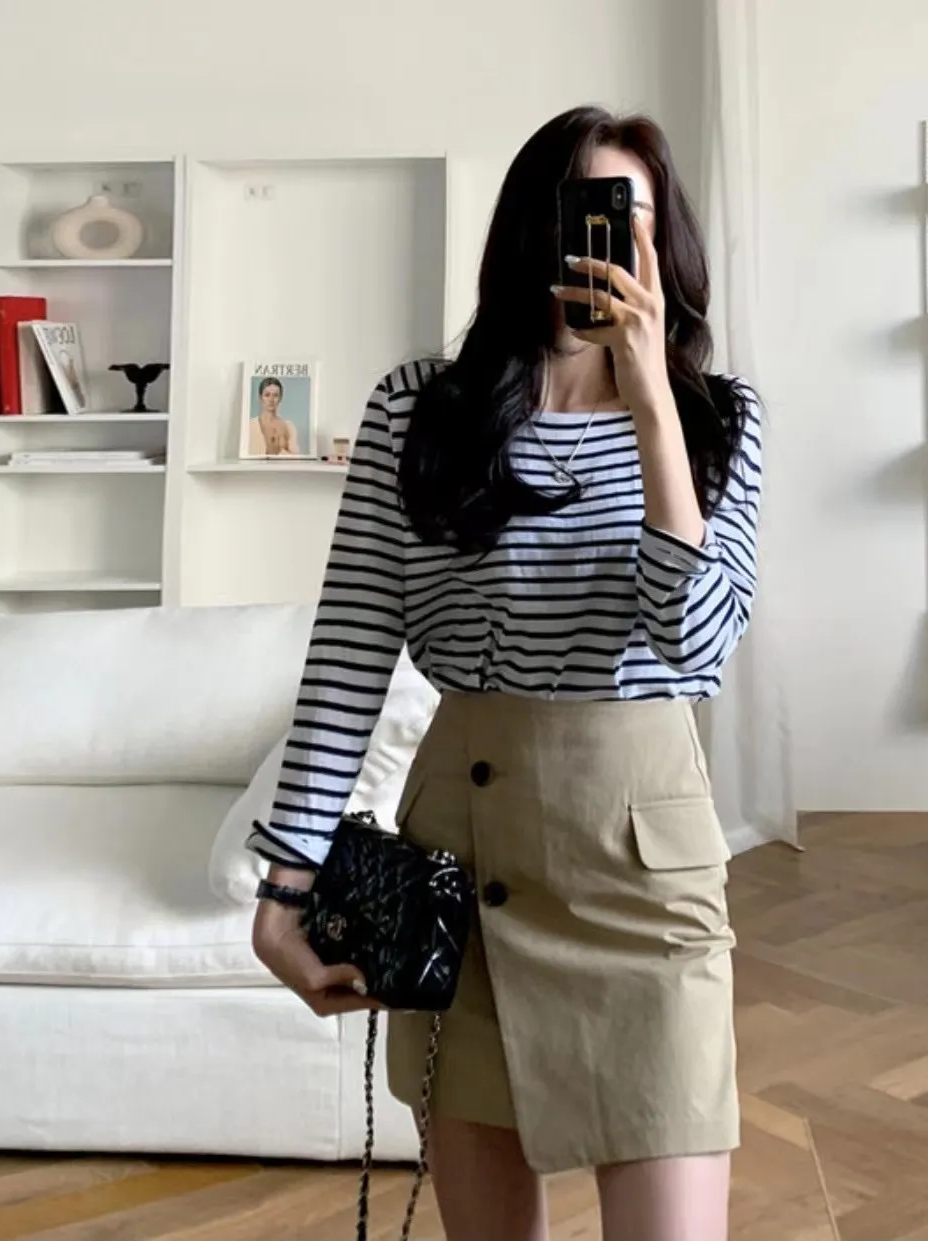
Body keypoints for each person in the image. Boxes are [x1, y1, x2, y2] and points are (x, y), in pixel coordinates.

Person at [248, 103, 763, 1241]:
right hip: (462, 859)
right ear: (528, 230)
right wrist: (285, 884)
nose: (600, 244)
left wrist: (651, 404)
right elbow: (350, 649)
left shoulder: (718, 419)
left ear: (663, 240)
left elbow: (699, 646)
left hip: (642, 871)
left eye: (626, 216)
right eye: (576, 213)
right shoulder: (419, 408)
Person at [246, 376, 299, 455]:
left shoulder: (289, 427)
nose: (271, 400)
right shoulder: (250, 426)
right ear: (260, 398)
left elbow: (296, 457)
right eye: (267, 395)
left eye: (275, 395)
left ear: (280, 398)